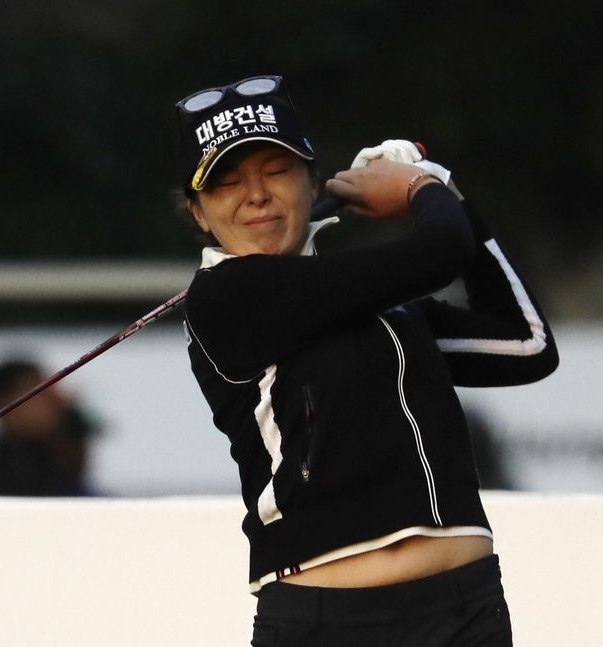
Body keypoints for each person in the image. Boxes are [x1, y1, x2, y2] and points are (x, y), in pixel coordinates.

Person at [174, 75, 558, 645]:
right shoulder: (224, 296)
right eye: (227, 182)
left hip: (467, 611)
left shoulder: (384, 308)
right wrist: (422, 189)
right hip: (327, 622)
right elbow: (439, 251)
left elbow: (527, 344)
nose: (255, 195)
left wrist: (449, 195)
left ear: (312, 183)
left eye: (276, 171)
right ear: (200, 214)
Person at [0, 358, 97, 496]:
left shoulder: (62, 475)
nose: (54, 402)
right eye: (39, 393)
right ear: (1, 403)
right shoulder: (2, 482)